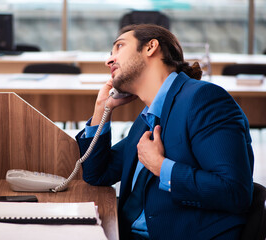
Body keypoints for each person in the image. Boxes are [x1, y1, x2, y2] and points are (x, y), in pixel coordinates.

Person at [76, 24, 254, 240]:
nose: (109, 61)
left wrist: (160, 167)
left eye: (119, 47)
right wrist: (101, 108)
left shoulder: (204, 99)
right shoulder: (147, 118)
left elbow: (235, 192)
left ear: (151, 47)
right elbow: (97, 173)